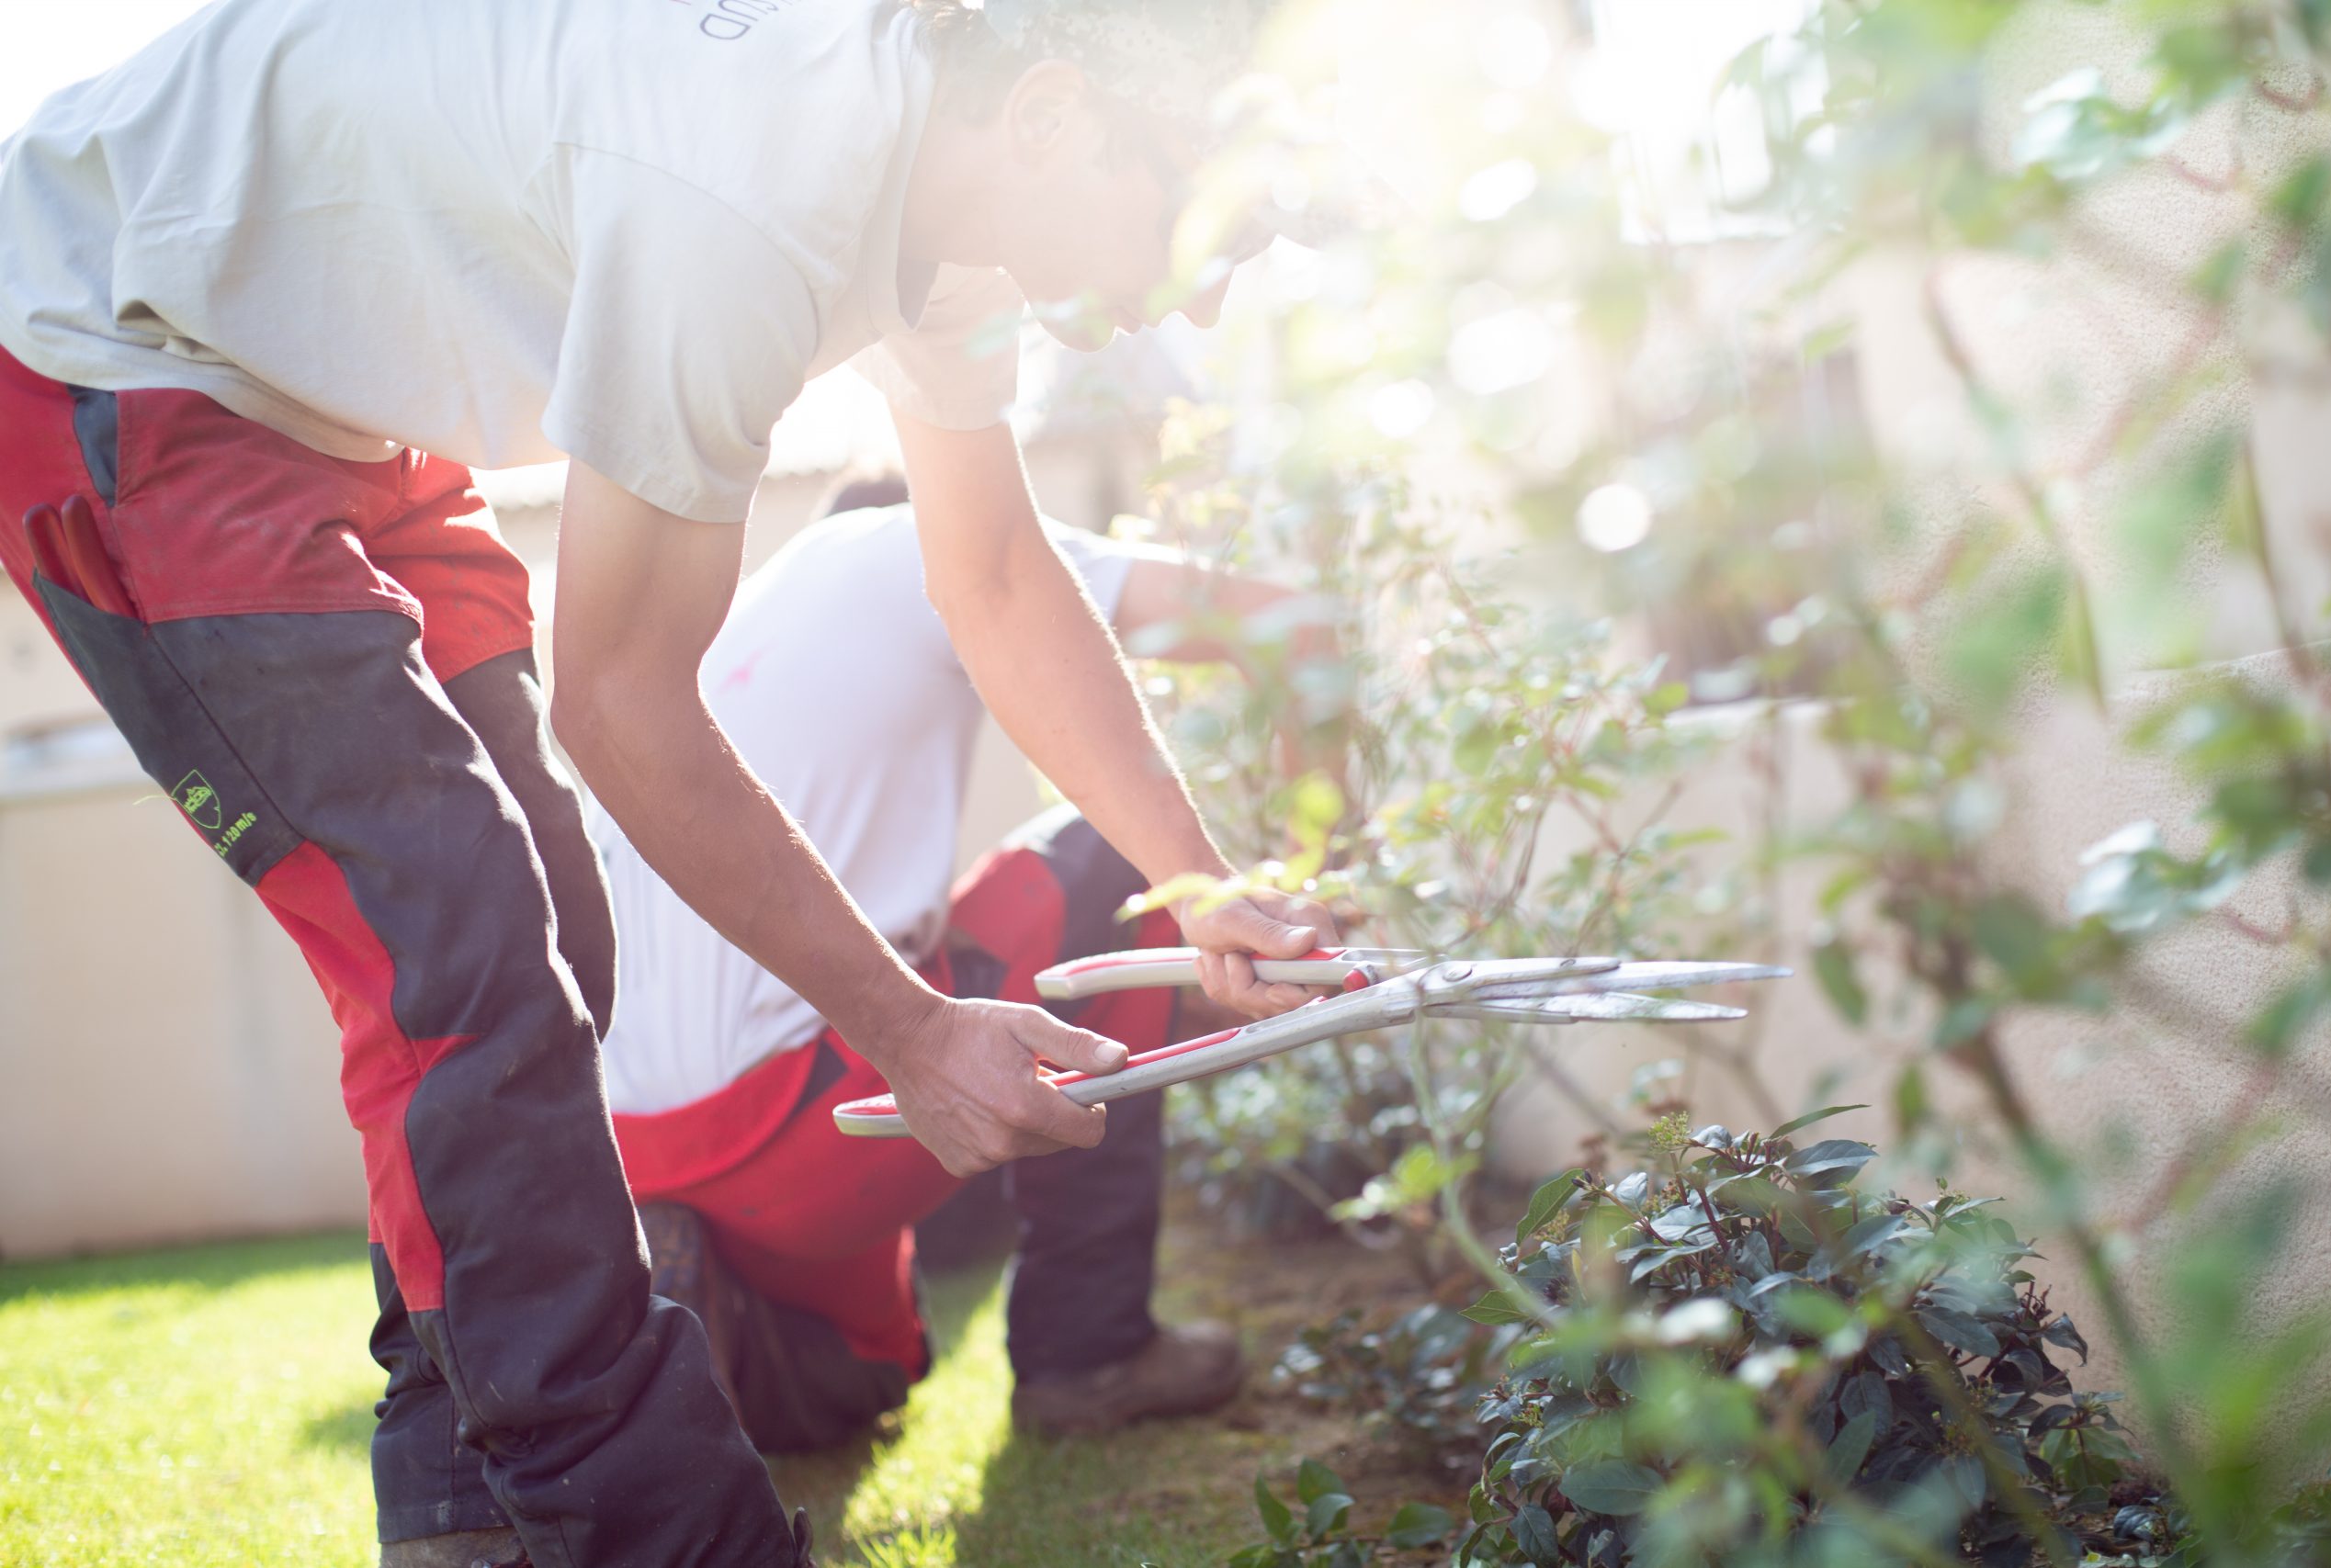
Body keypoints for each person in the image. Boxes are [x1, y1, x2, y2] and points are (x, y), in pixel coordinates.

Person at [0, 2, 1332, 1563]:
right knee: (457, 936)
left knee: (547, 913)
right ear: (1046, 119)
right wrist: (908, 1029)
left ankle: (457, 1514)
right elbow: (624, 702)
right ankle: (658, 1535)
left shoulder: (955, 234)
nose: (1207, 284)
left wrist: (1200, 883)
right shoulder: (752, 191)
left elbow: (995, 577)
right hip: (118, 344)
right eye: (1190, 221)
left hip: (331, 402)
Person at [592, 477, 1327, 1450]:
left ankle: (720, 1314)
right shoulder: (943, 534)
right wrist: (1311, 870)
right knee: (1116, 860)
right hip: (807, 1128)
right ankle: (1091, 1347)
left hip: (636, 1157)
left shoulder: (737, 620)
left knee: (877, 1371)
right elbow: (1282, 622)